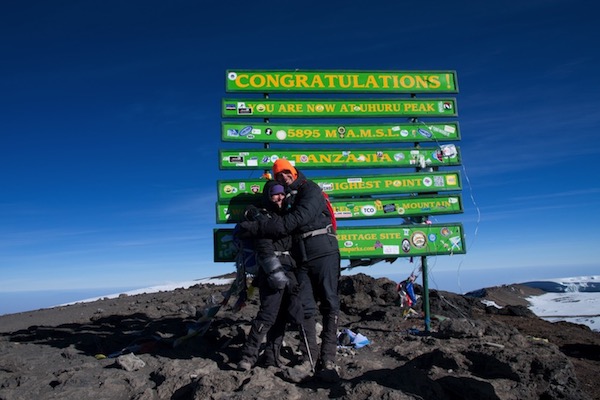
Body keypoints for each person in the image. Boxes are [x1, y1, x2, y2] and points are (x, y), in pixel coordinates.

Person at [239, 159, 341, 382]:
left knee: (329, 302)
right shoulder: (285, 200)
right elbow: (276, 232)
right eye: (279, 176)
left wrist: (254, 228)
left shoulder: (310, 189)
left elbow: (293, 222)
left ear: (294, 172)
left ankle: (329, 358)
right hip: (300, 260)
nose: (283, 178)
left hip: (323, 252)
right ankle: (309, 358)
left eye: (287, 172)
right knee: (305, 308)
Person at [236, 180, 309, 371]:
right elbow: (262, 242)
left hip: (290, 268)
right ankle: (248, 356)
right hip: (271, 268)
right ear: (268, 195)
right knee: (268, 314)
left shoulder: (287, 215)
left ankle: (271, 356)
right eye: (275, 193)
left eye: (282, 193)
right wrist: (273, 269)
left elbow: (289, 237)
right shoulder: (258, 214)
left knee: (285, 315)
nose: (280, 197)